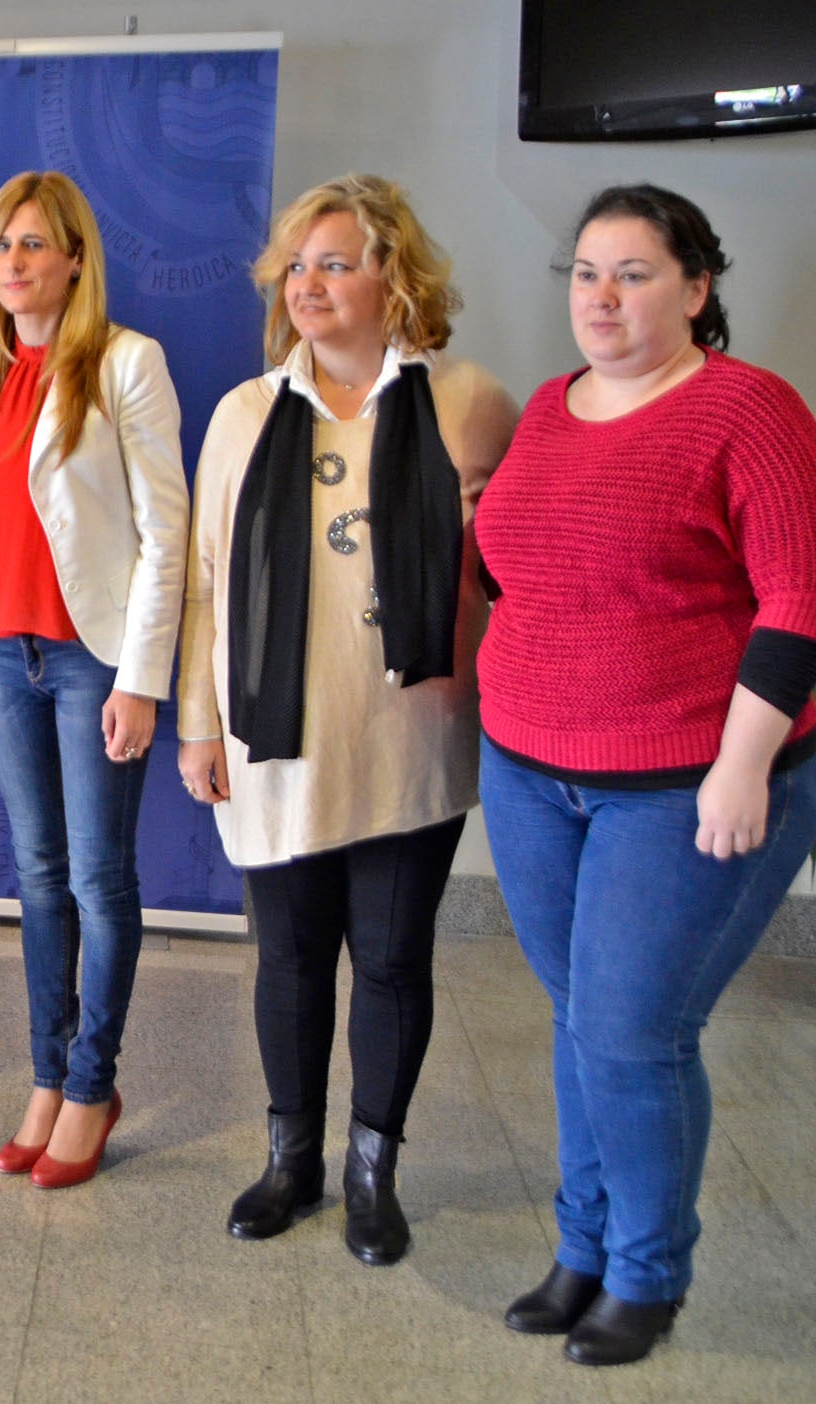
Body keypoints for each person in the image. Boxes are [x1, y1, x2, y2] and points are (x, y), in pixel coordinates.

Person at [474, 185, 816, 1366]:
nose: (601, 297)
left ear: (695, 287)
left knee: (630, 1034)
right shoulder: (550, 412)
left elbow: (797, 598)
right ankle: (581, 1248)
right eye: (583, 273)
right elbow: (531, 563)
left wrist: (741, 765)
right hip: (527, 770)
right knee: (580, 1022)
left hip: (683, 783)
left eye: (631, 273)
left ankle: (645, 1272)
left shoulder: (749, 410)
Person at [177, 174, 517, 1259]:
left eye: (334, 261)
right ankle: (291, 1161)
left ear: (393, 276)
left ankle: (373, 1172)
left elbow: (518, 571)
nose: (306, 283)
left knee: (387, 961)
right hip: (273, 743)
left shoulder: (470, 402)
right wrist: (196, 722)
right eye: (296, 263)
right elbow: (203, 580)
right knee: (284, 963)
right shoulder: (242, 413)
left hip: (408, 744)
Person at [0, 171, 189, 1189]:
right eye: (1, 246)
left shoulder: (124, 363)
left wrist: (138, 679)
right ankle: (45, 1078)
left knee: (98, 880)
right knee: (39, 881)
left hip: (91, 659)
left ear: (73, 259)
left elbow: (164, 532)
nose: (14, 263)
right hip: (3, 655)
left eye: (33, 245)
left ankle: (91, 1083)